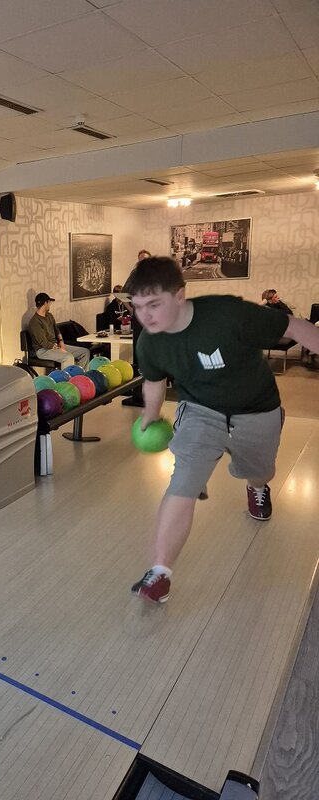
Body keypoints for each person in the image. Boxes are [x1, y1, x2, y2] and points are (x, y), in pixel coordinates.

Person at [124, 256, 319, 604]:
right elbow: (153, 382)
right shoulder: (150, 342)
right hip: (200, 410)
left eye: (154, 304)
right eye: (138, 307)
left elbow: (294, 326)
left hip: (257, 409)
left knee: (260, 471)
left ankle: (257, 487)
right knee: (182, 482)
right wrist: (150, 415)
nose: (145, 316)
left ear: (180, 296)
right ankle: (160, 572)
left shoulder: (227, 314)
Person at [28, 293, 89, 370]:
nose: (50, 305)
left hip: (55, 345)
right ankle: (67, 380)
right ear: (45, 303)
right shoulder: (35, 321)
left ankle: (79, 377)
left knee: (85, 352)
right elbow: (43, 342)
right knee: (68, 357)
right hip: (43, 350)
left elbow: (57, 330)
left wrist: (61, 341)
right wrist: (58, 349)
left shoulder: (49, 316)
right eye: (49, 303)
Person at [122, 249, 151, 408]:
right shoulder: (135, 274)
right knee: (139, 355)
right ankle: (139, 394)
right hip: (140, 317)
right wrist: (130, 309)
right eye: (140, 260)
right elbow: (121, 294)